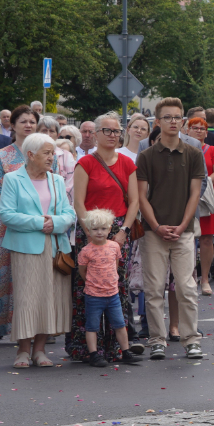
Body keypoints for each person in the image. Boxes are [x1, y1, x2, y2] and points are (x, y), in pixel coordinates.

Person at [136, 97, 207, 361]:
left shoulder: (194, 154)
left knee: (186, 288)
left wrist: (182, 225)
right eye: (167, 117)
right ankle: (157, 339)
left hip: (183, 231)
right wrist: (156, 226)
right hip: (152, 232)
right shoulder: (146, 156)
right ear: (158, 121)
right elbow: (141, 196)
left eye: (177, 117)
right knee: (154, 289)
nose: (173, 121)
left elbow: (195, 194)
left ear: (183, 121)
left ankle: (191, 339)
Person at [67, 112, 141, 363]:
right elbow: (78, 202)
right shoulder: (85, 163)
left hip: (119, 229)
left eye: (116, 131)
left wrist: (123, 231)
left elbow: (134, 202)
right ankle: (87, 348)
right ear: (96, 134)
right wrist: (90, 233)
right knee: (86, 287)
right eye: (107, 130)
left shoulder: (127, 163)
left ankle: (117, 348)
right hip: (90, 229)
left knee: (116, 286)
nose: (112, 135)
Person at [0, 133, 76, 368]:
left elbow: (69, 214)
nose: (52, 157)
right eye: (47, 153)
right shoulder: (13, 179)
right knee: (28, 298)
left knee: (49, 298)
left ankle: (40, 350)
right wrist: (40, 223)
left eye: (53, 153)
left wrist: (56, 223)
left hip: (55, 246)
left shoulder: (57, 180)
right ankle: (23, 350)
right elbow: (6, 215)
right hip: (26, 247)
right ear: (31, 155)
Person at [0, 105, 53, 340]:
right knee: (10, 274)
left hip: (42, 223)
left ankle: (40, 327)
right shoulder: (2, 155)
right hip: (12, 223)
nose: (28, 125)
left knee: (38, 279)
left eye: (32, 121)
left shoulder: (48, 152)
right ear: (12, 125)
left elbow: (52, 186)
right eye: (23, 121)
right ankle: (10, 327)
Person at [76, 208, 143, 367]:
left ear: (109, 229)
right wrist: (92, 283)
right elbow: (82, 270)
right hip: (94, 295)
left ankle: (125, 352)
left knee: (120, 324)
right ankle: (94, 354)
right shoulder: (86, 251)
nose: (99, 232)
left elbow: (115, 265)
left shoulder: (114, 247)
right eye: (95, 229)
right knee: (92, 326)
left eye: (103, 228)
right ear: (88, 230)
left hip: (112, 295)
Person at [187, 116, 214, 295]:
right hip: (186, 197)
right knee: (187, 239)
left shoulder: (213, 150)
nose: (198, 131)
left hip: (207, 198)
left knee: (206, 239)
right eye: (194, 128)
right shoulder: (184, 149)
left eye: (202, 128)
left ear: (206, 132)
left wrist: (201, 185)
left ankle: (204, 279)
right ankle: (189, 277)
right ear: (187, 131)